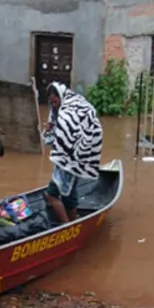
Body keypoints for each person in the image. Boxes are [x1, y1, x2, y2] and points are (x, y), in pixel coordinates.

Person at [42, 82, 104, 223]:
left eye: (55, 101)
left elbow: (78, 129)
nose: (54, 105)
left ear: (61, 96)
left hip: (75, 156)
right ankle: (73, 221)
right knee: (68, 192)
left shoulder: (73, 106)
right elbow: (57, 134)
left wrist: (60, 133)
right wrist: (50, 128)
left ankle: (67, 225)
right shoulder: (56, 108)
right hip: (64, 158)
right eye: (51, 102)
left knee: (52, 194)